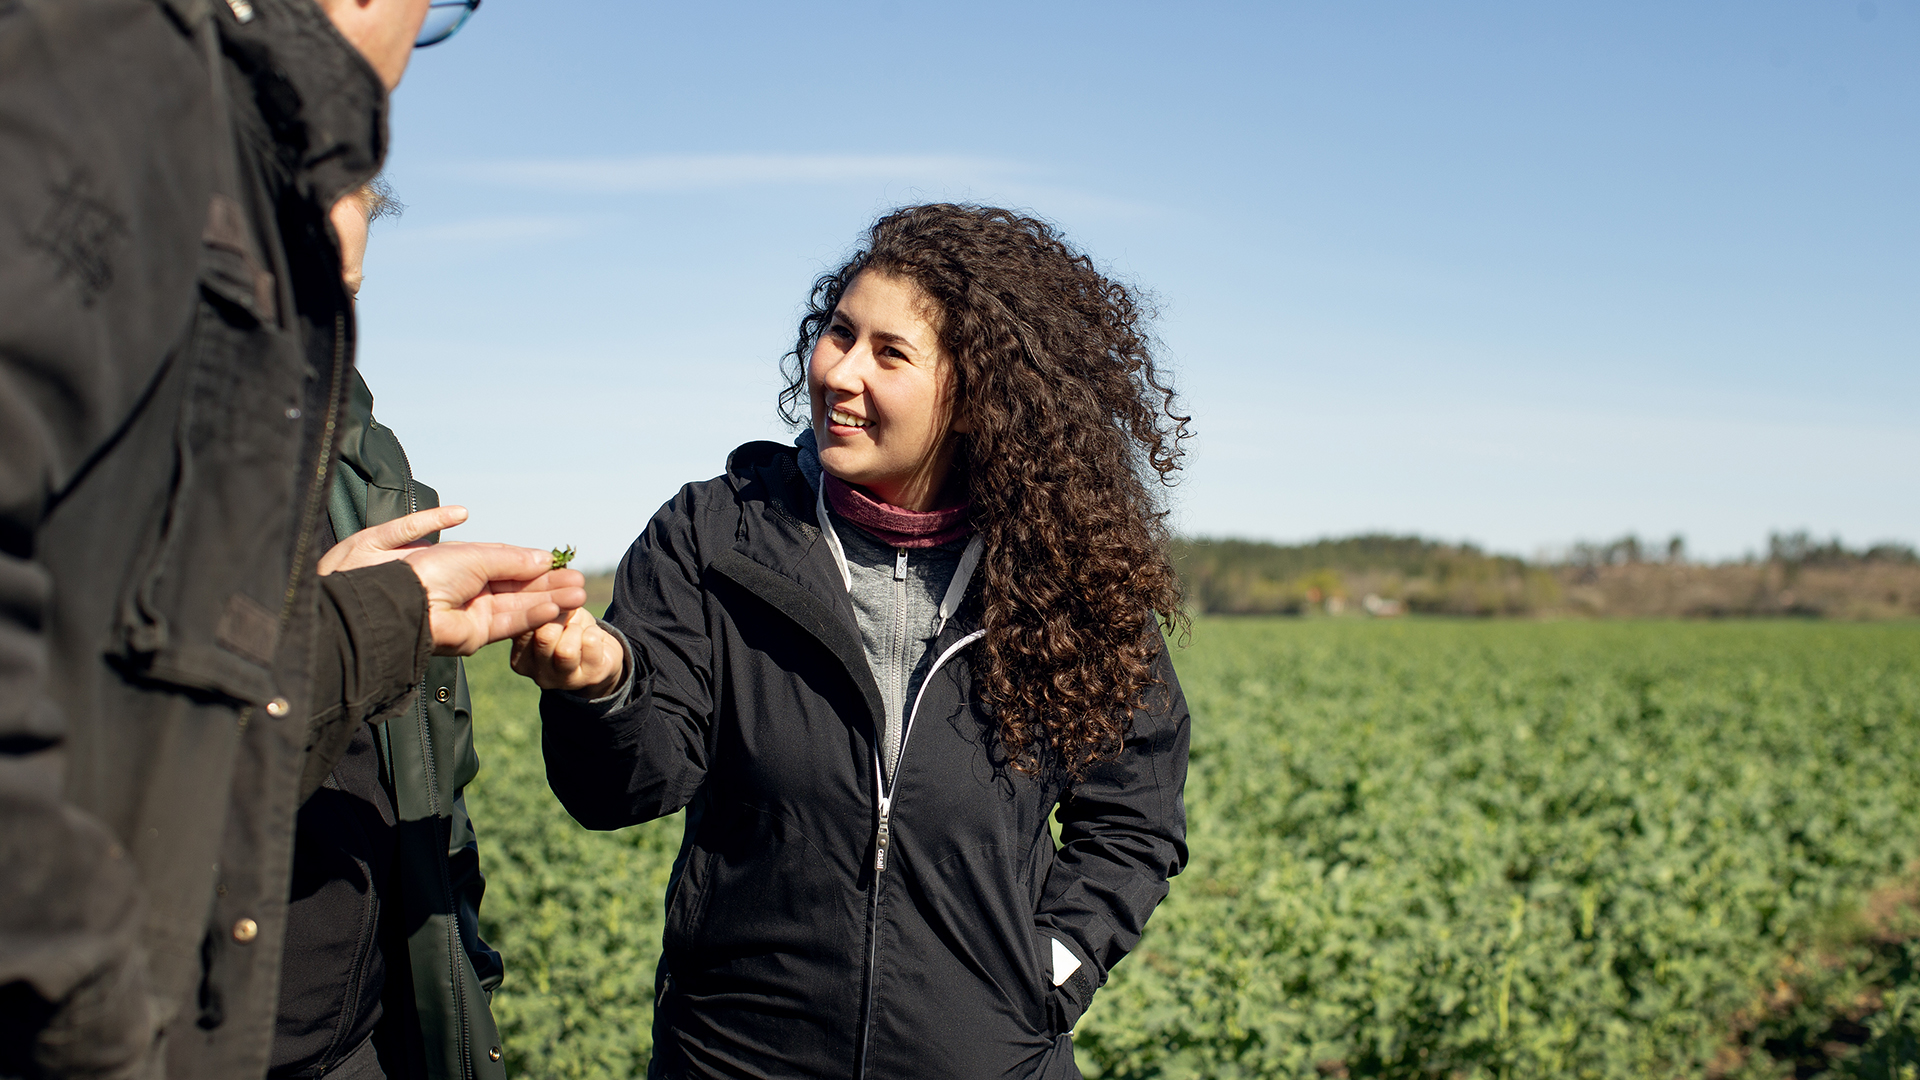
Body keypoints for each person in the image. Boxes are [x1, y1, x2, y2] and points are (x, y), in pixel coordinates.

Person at [0, 1, 568, 1078]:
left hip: (326, 1031)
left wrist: (374, 622)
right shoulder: (109, 96)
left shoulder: (372, 464)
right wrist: (92, 1011)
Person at [515, 203, 1193, 1079]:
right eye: (840, 333)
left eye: (890, 353)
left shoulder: (1068, 574)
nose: (840, 372)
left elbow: (1134, 818)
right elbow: (629, 787)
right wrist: (601, 684)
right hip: (735, 1057)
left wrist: (1049, 972)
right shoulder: (717, 536)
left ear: (976, 393)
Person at [265, 182, 507, 1080]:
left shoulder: (359, 463)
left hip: (352, 1045)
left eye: (346, 293)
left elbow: (425, 783)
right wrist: (323, 633)